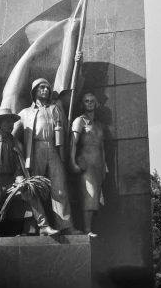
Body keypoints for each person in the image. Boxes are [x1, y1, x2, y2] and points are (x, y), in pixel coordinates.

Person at [0, 106, 59, 267]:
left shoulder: (16, 143)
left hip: (11, 180)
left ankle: (44, 226)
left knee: (30, 192)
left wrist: (21, 181)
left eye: (12, 121)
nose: (11, 124)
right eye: (7, 121)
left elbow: (19, 168)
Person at [13, 78, 81, 234]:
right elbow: (12, 135)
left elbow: (66, 130)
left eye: (48, 88)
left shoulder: (56, 108)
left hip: (55, 150)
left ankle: (65, 225)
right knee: (33, 189)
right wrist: (19, 149)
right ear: (34, 91)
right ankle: (36, 227)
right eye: (42, 87)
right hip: (35, 150)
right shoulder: (25, 113)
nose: (45, 90)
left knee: (60, 190)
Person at [70, 90, 106, 236]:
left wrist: (104, 167)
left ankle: (89, 228)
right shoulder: (80, 121)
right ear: (82, 104)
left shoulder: (98, 125)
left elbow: (102, 148)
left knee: (95, 197)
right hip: (85, 163)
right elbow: (73, 142)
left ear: (96, 104)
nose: (90, 103)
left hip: (97, 164)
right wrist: (72, 162)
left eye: (92, 101)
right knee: (89, 196)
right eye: (87, 101)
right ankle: (87, 230)